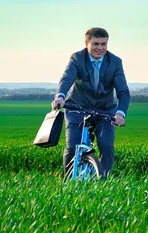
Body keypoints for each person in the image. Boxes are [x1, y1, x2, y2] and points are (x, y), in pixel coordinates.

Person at [52, 27, 130, 178]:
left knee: (106, 146)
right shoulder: (77, 58)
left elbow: (123, 92)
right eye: (95, 44)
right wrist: (60, 96)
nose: (100, 48)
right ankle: (69, 181)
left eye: (103, 44)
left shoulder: (115, 62)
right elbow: (67, 78)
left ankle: (102, 180)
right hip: (77, 107)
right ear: (86, 43)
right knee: (73, 146)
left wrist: (120, 113)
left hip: (105, 110)